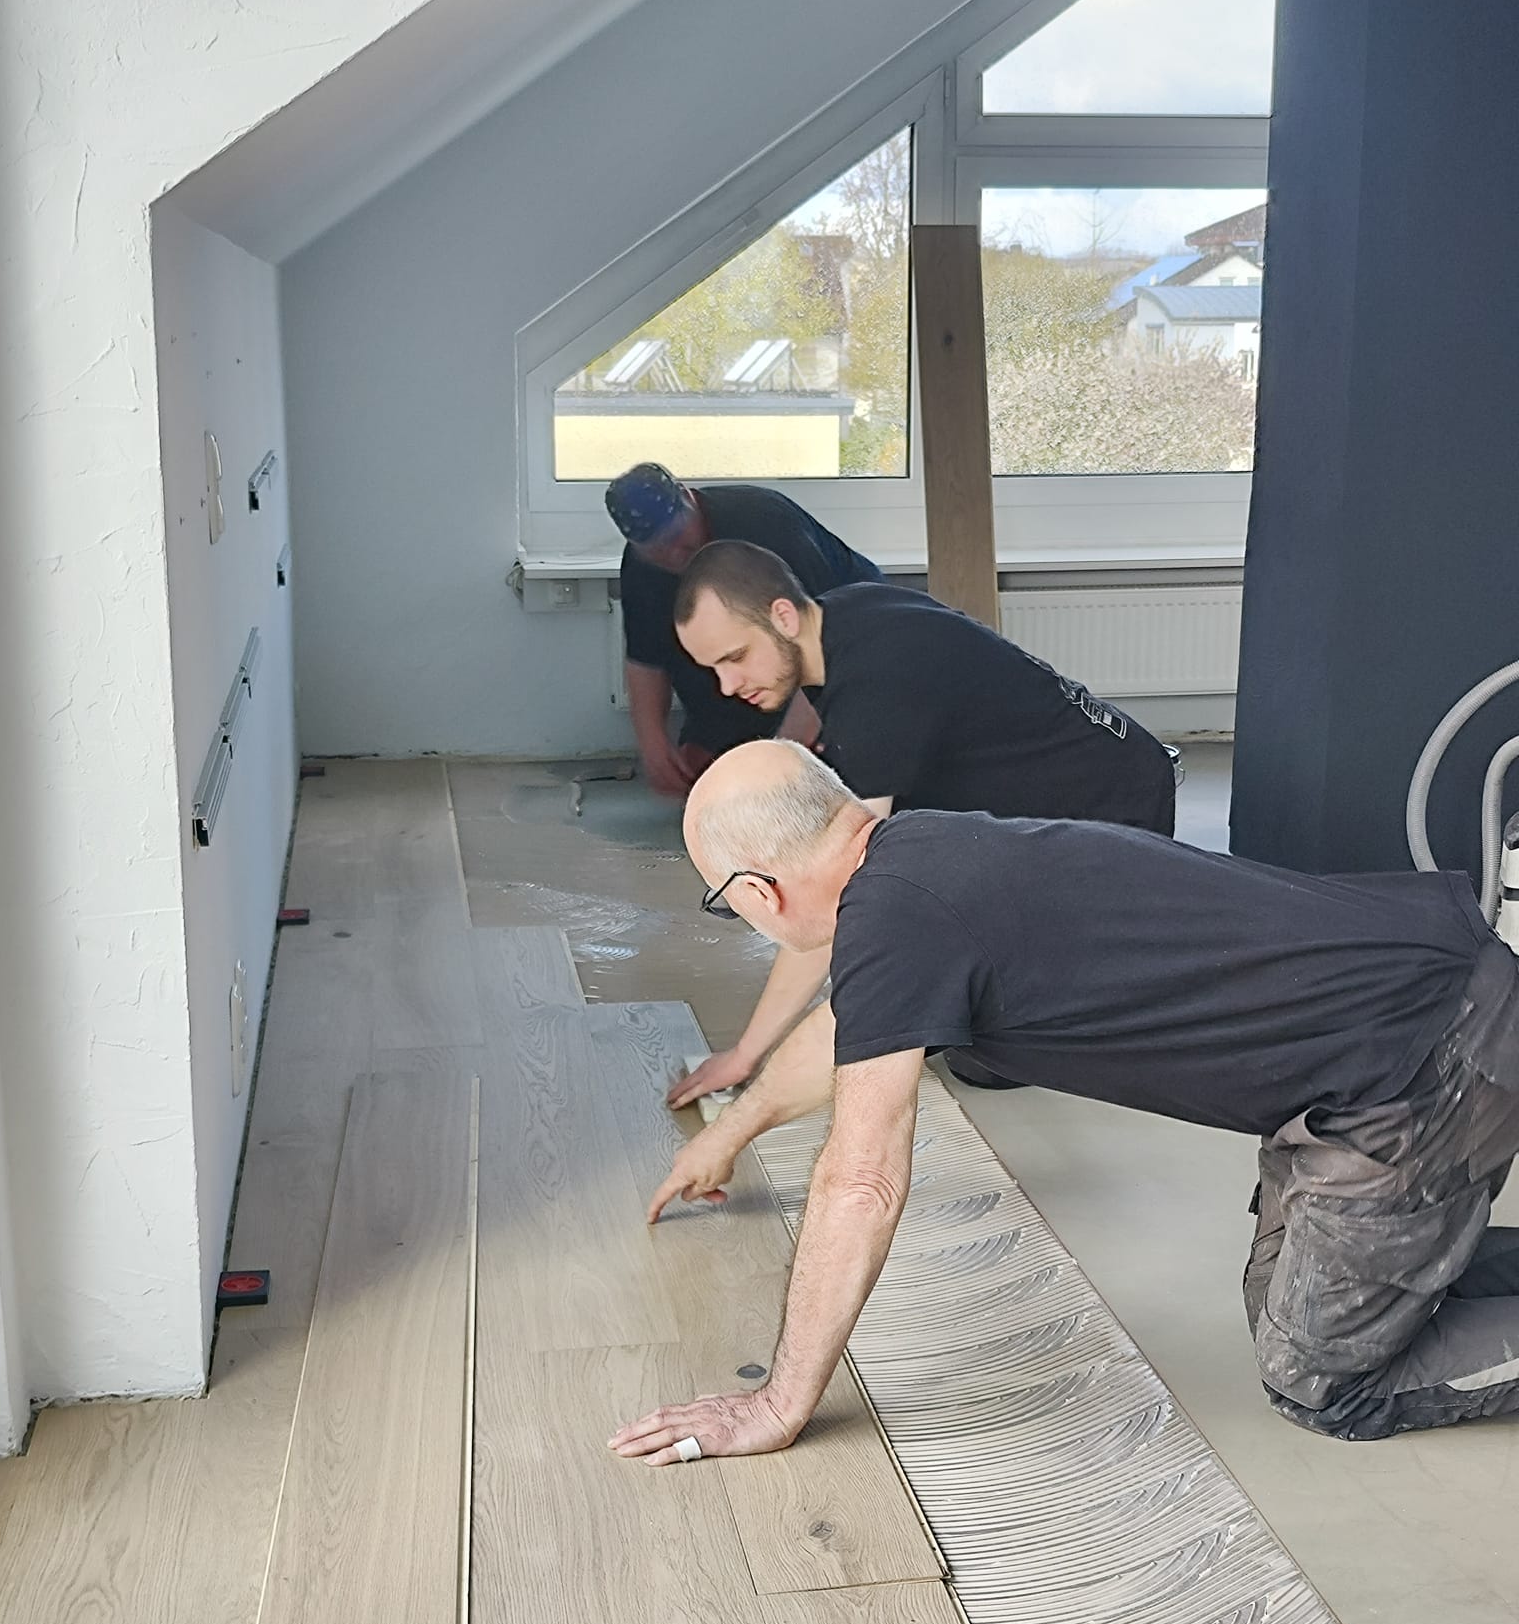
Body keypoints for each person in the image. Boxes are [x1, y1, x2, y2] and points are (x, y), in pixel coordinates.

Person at [608, 743, 1519, 1467]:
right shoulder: (920, 856)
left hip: (1420, 1063)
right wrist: (731, 1131)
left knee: (1319, 1381)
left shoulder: (898, 918)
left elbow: (861, 1184)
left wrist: (777, 1404)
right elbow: (850, 1027)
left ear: (757, 891)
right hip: (1409, 1006)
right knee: (1286, 1304)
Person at [665, 540, 1180, 1111]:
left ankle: (1119, 969)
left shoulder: (880, 687)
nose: (727, 685)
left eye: (735, 657)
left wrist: (747, 1055)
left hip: (1113, 811)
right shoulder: (845, 615)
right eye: (713, 668)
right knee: (933, 995)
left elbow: (839, 894)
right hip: (1077, 779)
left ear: (783, 615)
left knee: (987, 1057)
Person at [605, 462, 883, 798]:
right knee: (709, 781)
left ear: (689, 499)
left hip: (850, 647)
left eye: (677, 538)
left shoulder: (766, 523)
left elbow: (826, 643)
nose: (674, 555)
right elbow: (645, 658)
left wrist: (782, 759)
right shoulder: (641, 567)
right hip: (764, 665)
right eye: (657, 551)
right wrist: (654, 746)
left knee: (817, 781)